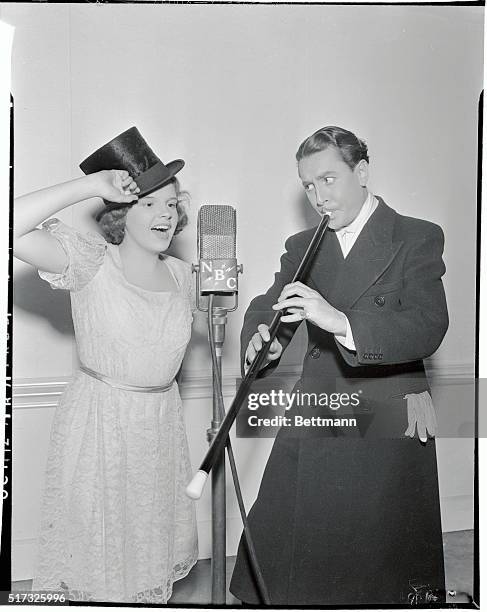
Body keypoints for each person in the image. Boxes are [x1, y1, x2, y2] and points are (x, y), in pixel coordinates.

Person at [229, 125, 448, 606]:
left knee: (378, 573)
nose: (318, 196)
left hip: (389, 417)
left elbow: (427, 327)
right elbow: (271, 306)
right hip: (318, 411)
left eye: (328, 179)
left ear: (362, 172)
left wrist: (341, 321)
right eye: (308, 185)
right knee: (283, 571)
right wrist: (260, 343)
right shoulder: (303, 245)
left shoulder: (415, 237)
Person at [14, 127, 198, 603]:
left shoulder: (183, 276)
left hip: (158, 429)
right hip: (99, 426)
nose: (165, 214)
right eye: (150, 203)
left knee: (146, 561)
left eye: (172, 204)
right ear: (120, 211)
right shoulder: (91, 261)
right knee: (97, 562)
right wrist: (90, 185)